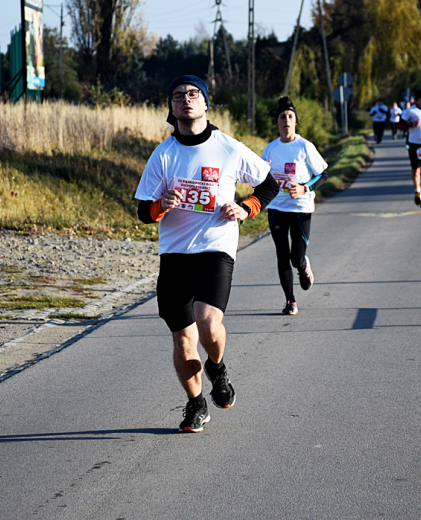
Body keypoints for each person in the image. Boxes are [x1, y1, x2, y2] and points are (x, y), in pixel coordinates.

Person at [134, 75, 279, 433]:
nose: (186, 99)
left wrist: (248, 207)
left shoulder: (227, 146)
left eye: (194, 94)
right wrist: (159, 206)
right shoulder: (163, 154)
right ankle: (196, 403)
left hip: (216, 248)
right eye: (178, 95)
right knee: (183, 340)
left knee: (208, 322)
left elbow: (269, 183)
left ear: (206, 104)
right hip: (175, 254)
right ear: (171, 107)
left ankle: (218, 367)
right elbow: (141, 211)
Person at [262, 97, 329, 316]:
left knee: (295, 257)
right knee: (282, 255)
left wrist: (304, 188)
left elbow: (323, 174)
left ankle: (303, 266)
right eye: (283, 117)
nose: (286, 121)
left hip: (301, 208)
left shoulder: (304, 146)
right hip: (277, 208)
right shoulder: (270, 149)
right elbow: (260, 178)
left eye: (291, 117)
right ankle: (290, 301)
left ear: (295, 122)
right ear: (277, 122)